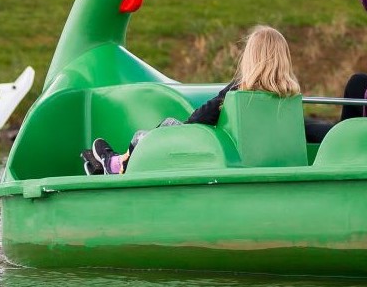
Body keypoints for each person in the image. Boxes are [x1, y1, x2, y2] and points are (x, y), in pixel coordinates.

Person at [84, 25, 308, 175]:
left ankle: (116, 164)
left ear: (251, 58)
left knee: (156, 130)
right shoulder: (289, 97)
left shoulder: (238, 91)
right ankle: (119, 161)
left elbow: (199, 117)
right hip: (268, 159)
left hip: (213, 154)